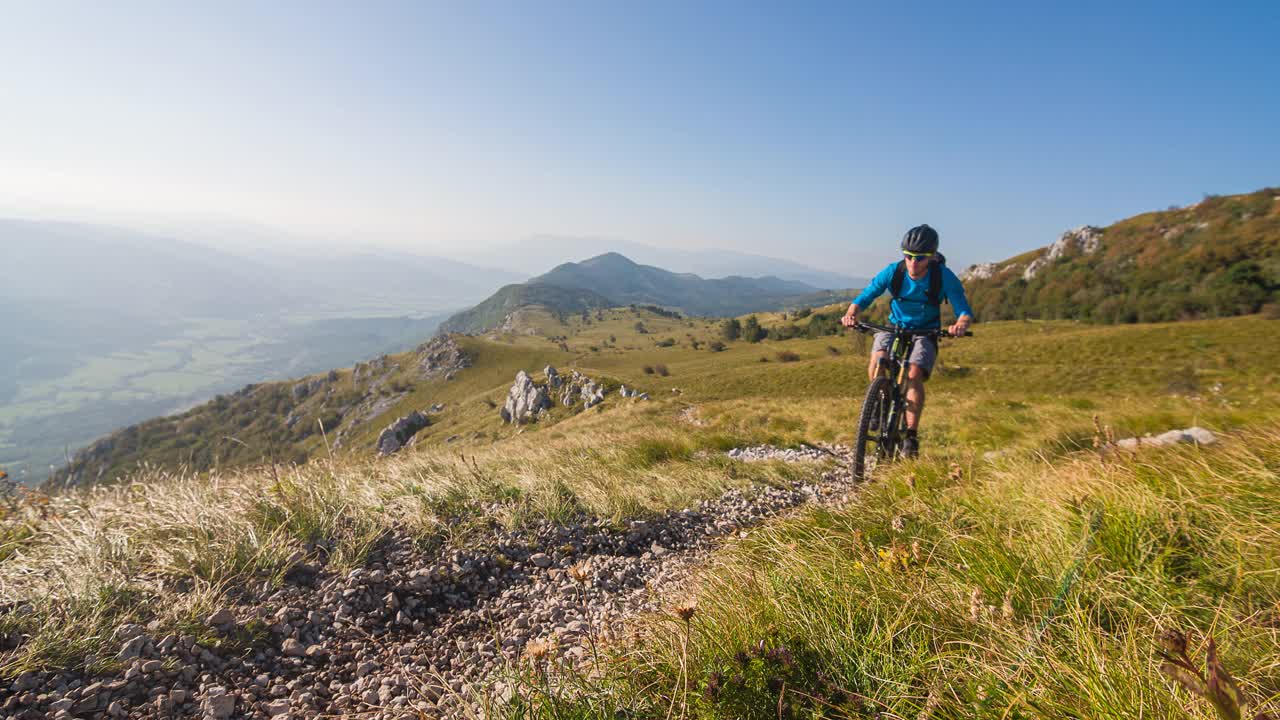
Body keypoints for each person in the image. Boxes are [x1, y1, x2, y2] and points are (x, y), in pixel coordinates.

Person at [840, 224, 973, 457]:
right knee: (878, 360)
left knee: (913, 374)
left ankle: (911, 436)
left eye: (920, 258)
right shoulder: (894, 271)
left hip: (926, 331)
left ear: (931, 257)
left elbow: (963, 308)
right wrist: (852, 313)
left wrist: (960, 324)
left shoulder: (943, 277)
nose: (913, 263)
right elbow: (868, 294)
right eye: (908, 256)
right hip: (894, 326)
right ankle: (878, 404)